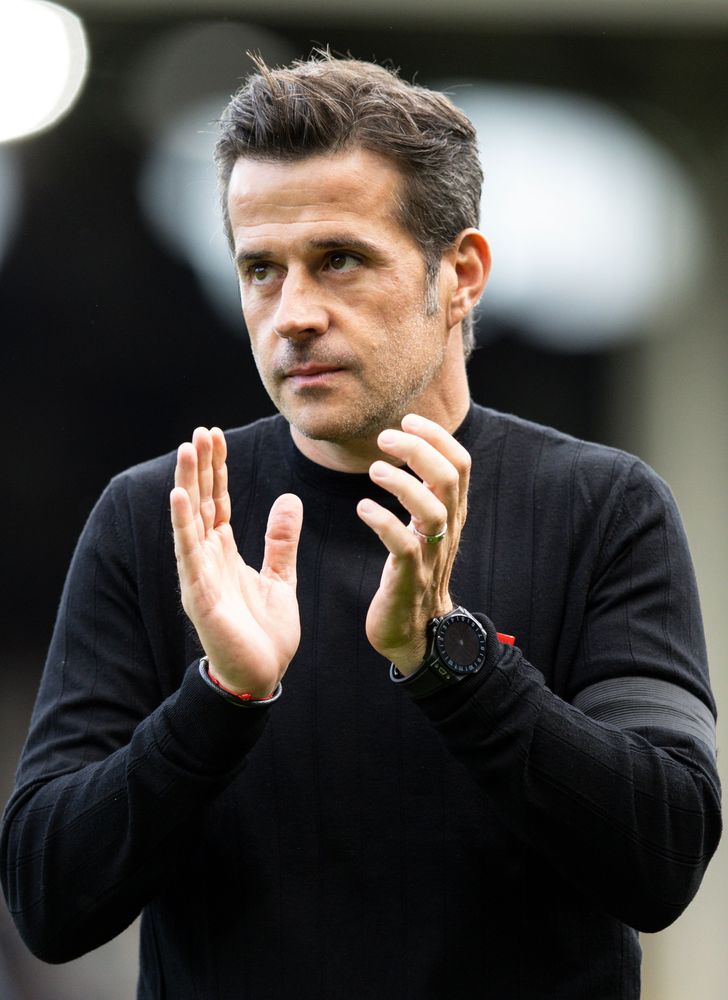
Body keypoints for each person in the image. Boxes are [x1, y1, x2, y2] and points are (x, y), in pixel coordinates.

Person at [1, 53, 721, 1000]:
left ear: (459, 273)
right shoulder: (162, 516)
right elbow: (49, 903)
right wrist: (218, 698)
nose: (292, 315)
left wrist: (448, 662)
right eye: (261, 269)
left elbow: (662, 857)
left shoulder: (603, 507)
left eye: (339, 259)